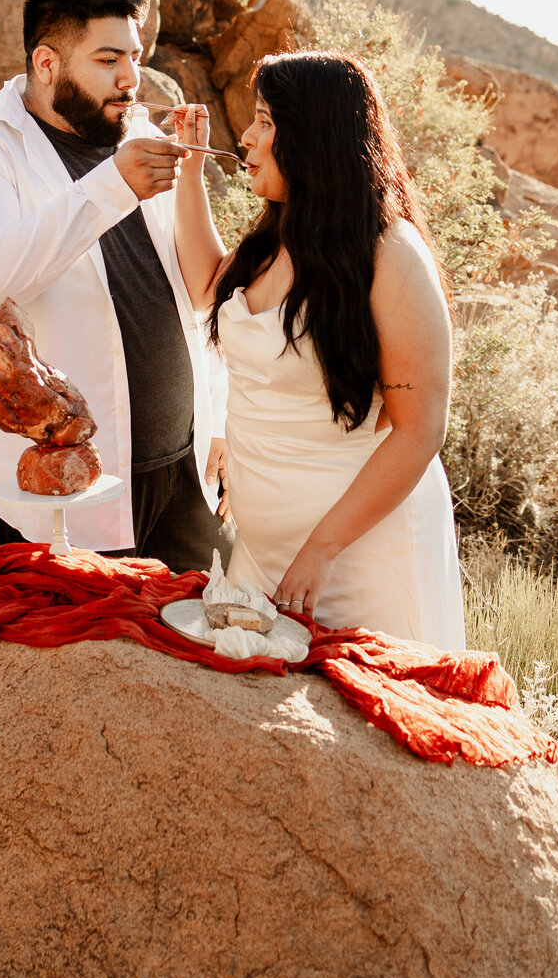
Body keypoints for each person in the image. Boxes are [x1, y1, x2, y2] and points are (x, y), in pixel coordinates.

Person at [0, 0, 228, 571]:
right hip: (65, 484)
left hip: (185, 470)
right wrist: (112, 186)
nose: (130, 78)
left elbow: (197, 297)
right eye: (108, 59)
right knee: (96, 659)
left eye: (135, 57)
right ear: (46, 64)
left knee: (211, 643)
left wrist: (223, 421)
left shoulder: (137, 133)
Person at [172, 49, 465, 647]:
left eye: (266, 121)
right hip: (263, 553)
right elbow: (207, 287)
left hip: (358, 555)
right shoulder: (277, 235)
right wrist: (188, 173)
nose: (249, 138)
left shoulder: (391, 256)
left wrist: (322, 549)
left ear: (315, 137)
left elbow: (419, 430)